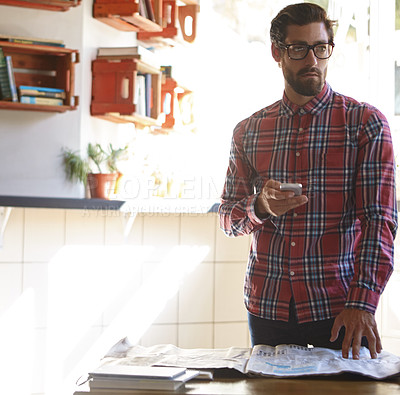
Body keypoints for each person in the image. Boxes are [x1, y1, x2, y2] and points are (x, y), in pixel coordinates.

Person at [218, 2, 397, 360]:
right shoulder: (249, 131)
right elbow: (226, 218)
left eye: (321, 48)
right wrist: (259, 206)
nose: (312, 60)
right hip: (267, 308)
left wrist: (363, 303)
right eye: (298, 49)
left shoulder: (365, 125)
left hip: (339, 311)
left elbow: (381, 222)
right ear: (277, 52)